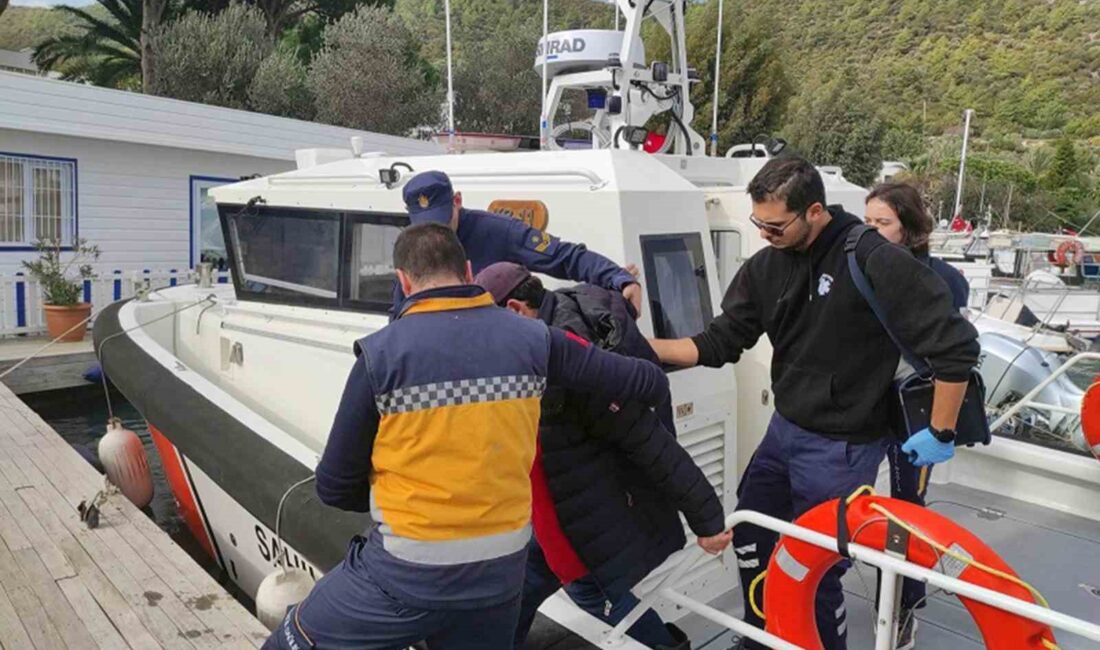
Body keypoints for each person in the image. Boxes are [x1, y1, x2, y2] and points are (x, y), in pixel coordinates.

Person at [265, 223, 671, 650]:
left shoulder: (380, 355)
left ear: (403, 281)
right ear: (469, 270)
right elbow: (646, 380)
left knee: (288, 643)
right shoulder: (537, 340)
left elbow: (333, 487)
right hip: (500, 578)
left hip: (404, 575)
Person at [647, 156, 980, 650]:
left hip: (843, 447)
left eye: (775, 225)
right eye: (758, 222)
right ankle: (761, 636)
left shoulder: (873, 258)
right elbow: (719, 342)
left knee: (814, 565)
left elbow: (956, 348)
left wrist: (941, 432)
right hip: (784, 432)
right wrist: (638, 350)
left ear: (816, 211)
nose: (764, 234)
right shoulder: (766, 267)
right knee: (751, 536)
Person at [474, 262, 732, 649]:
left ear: (514, 309)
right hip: (553, 508)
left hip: (579, 522)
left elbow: (648, 441)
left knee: (591, 593)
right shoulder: (555, 317)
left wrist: (708, 520)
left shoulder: (570, 360)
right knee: (523, 582)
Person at [864, 181, 970, 649]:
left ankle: (903, 608)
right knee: (849, 498)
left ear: (909, 229)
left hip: (912, 412)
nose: (871, 232)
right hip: (862, 406)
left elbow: (952, 351)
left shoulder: (946, 280)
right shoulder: (859, 271)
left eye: (881, 223)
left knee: (908, 511)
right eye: (865, 222)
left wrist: (940, 427)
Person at [398, 170, 642, 315]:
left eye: (441, 221)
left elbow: (564, 256)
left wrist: (619, 279)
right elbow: (399, 310)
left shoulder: (498, 231)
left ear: (457, 201)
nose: (434, 233)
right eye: (425, 225)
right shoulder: (413, 246)